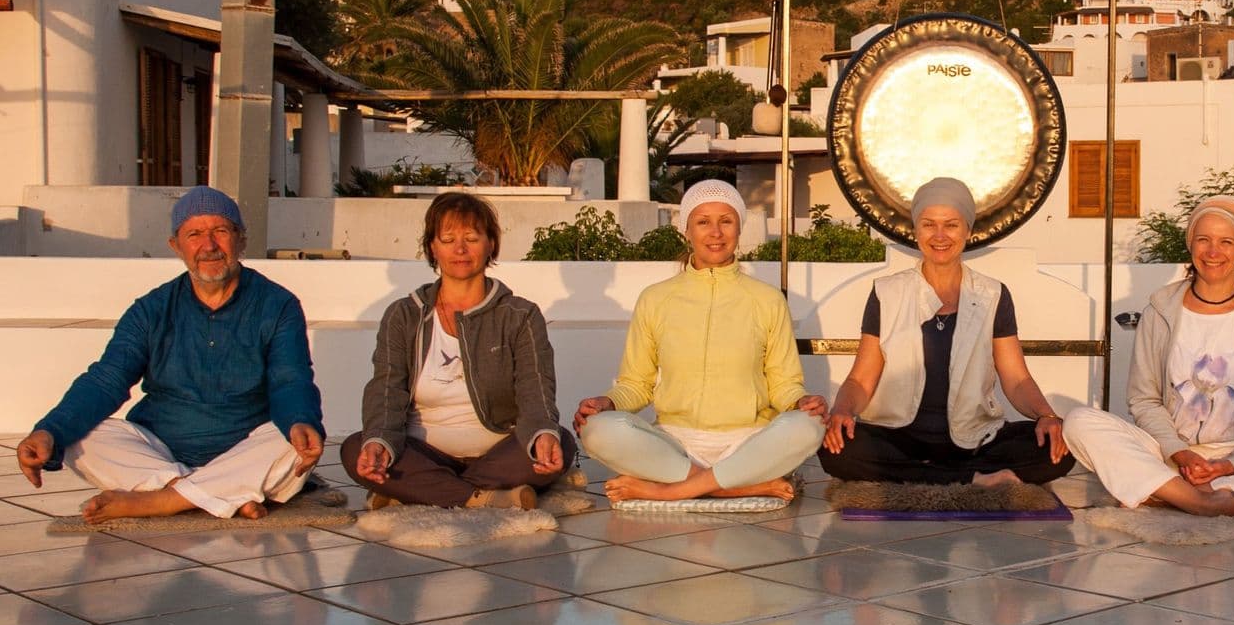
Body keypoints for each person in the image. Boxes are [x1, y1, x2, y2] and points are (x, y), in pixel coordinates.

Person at [13, 187, 324, 523]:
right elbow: (106, 380)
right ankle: (214, 493)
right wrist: (49, 430)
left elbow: (290, 380)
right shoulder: (151, 310)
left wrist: (299, 420)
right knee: (80, 438)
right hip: (163, 449)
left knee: (291, 442)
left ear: (241, 240)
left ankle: (158, 500)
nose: (209, 245)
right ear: (176, 245)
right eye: (194, 234)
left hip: (244, 447)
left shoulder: (277, 305)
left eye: (220, 231)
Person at [1064, 196, 1234, 518]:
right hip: (1168, 453)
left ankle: (1187, 492)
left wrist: (1231, 464)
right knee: (1079, 422)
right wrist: (1180, 454)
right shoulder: (1159, 313)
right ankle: (1200, 500)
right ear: (1191, 245)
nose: (1213, 252)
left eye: (1226, 242)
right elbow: (1144, 400)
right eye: (1203, 240)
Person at [575, 180, 825, 502]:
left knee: (809, 426)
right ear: (687, 230)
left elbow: (783, 384)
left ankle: (670, 490)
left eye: (726, 221)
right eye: (703, 222)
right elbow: (636, 384)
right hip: (676, 443)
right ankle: (739, 486)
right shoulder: (655, 299)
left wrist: (802, 402)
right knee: (596, 430)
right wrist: (606, 403)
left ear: (739, 228)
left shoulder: (768, 300)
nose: (716, 233)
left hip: (748, 441)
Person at [819, 178, 1074, 487]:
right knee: (834, 449)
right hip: (898, 439)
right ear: (916, 230)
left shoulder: (993, 295)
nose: (939, 236)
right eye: (929, 224)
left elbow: (1017, 379)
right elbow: (860, 380)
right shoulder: (887, 293)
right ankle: (972, 479)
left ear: (968, 230)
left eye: (951, 225)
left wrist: (1047, 416)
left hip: (974, 440)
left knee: (1059, 448)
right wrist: (842, 411)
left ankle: (928, 476)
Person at [343, 192, 571, 510]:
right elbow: (386, 389)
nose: (460, 250)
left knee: (560, 441)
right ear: (432, 248)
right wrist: (379, 440)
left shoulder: (520, 315)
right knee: (356, 449)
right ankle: (481, 497)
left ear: (491, 244)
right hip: (422, 449)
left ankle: (422, 490)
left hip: (498, 449)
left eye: (472, 239)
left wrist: (543, 434)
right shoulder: (404, 315)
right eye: (448, 240)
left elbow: (536, 389)